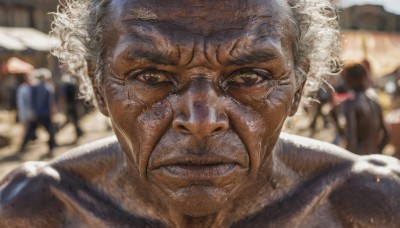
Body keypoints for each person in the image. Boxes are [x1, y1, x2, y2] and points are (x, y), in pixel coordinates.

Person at [1, 0, 399, 227]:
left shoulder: (369, 206)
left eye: (250, 75)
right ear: (98, 86)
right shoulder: (36, 211)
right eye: (150, 75)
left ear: (297, 87)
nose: (202, 119)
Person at [340, 63, 389, 155]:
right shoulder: (374, 99)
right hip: (374, 155)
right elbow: (387, 135)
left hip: (359, 158)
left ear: (350, 80)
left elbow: (351, 141)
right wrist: (377, 152)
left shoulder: (350, 104)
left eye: (345, 78)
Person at [18, 68, 57, 156]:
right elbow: (32, 101)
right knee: (33, 132)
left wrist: (51, 112)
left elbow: (49, 102)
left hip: (42, 114)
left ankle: (51, 149)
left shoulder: (44, 88)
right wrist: (31, 112)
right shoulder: (39, 88)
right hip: (40, 114)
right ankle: (22, 148)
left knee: (50, 132)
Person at [60, 73, 83, 141]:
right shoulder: (73, 84)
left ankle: (78, 132)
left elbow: (64, 97)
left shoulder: (65, 86)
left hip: (70, 105)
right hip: (75, 104)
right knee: (75, 119)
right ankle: (79, 132)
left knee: (73, 120)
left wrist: (64, 107)